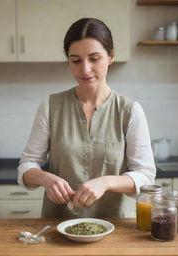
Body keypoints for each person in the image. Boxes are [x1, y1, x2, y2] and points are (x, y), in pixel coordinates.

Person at [17, 17, 156, 218]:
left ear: (110, 57)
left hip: (115, 228)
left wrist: (106, 182)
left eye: (94, 58)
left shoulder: (130, 110)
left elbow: (146, 176)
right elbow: (27, 166)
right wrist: (44, 178)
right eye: (76, 60)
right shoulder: (50, 106)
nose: (85, 69)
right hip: (58, 227)